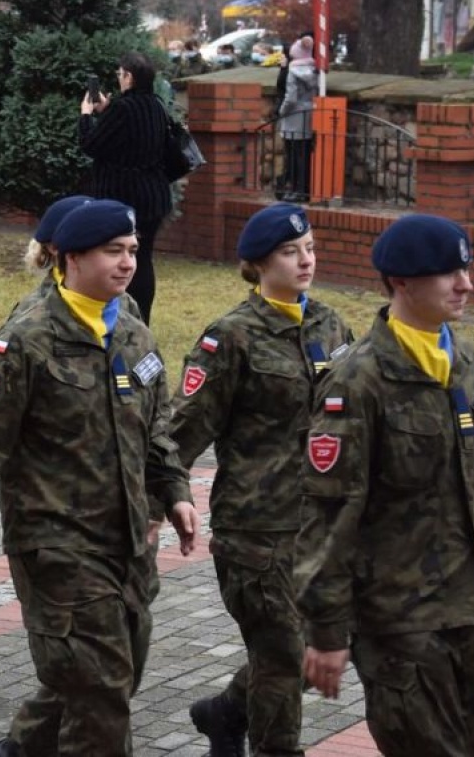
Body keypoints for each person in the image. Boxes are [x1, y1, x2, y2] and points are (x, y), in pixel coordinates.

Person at [0, 199, 197, 757]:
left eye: (132, 250)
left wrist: (173, 492)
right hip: (56, 544)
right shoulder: (28, 340)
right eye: (112, 252)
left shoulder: (131, 329)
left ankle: (19, 749)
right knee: (102, 694)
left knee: (109, 672)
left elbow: (155, 429)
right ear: (71, 258)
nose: (127, 263)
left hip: (124, 540)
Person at [296, 214, 474, 757]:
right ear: (401, 282)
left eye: (466, 269)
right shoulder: (357, 380)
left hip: (469, 615)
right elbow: (329, 515)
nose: (466, 284)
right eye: (447, 274)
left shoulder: (466, 363)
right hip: (399, 625)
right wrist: (325, 629)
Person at [168, 204, 354, 757]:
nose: (306, 260)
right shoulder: (230, 338)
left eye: (311, 249)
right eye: (290, 252)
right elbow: (184, 429)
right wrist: (163, 499)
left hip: (322, 521)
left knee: (310, 645)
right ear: (257, 264)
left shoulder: (330, 324)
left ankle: (225, 713)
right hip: (257, 529)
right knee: (281, 653)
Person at [77, 52, 174, 323]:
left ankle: (120, 319)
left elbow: (91, 144)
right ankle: (141, 319)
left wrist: (86, 115)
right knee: (142, 261)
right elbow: (137, 137)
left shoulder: (123, 108)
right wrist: (106, 110)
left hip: (123, 197)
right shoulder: (155, 105)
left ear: (129, 77)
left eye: (120, 75)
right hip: (154, 197)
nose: (119, 80)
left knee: (118, 260)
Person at [277, 35, 316, 202]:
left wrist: (282, 111)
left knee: (293, 155)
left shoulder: (293, 71)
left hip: (293, 116)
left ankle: (295, 189)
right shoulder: (315, 70)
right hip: (309, 114)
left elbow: (291, 98)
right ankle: (305, 188)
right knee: (305, 153)